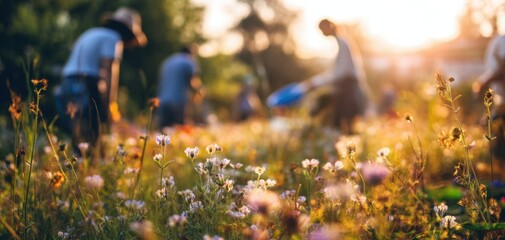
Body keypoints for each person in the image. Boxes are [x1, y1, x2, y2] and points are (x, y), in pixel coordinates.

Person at [54, 7, 147, 156]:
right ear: (128, 32)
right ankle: (91, 170)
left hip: (66, 83)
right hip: (86, 84)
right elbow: (109, 72)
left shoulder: (91, 33)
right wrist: (110, 105)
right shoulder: (113, 38)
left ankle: (78, 170)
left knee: (77, 134)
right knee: (93, 134)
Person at [300, 19, 373, 134]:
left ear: (329, 27)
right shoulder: (341, 43)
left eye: (323, 29)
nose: (322, 33)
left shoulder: (343, 43)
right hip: (345, 86)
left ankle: (349, 146)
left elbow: (341, 72)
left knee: (345, 121)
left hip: (347, 87)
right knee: (344, 123)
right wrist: (316, 81)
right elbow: (335, 71)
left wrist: (317, 83)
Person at [473, 34, 505, 160]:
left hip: (502, 102)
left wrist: (483, 83)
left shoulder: (501, 41)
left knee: (497, 138)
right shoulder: (499, 40)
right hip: (501, 100)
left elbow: (502, 68)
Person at [157, 44, 203, 128]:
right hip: (178, 102)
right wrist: (199, 91)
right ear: (190, 53)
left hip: (162, 101)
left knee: (163, 133)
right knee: (178, 131)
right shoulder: (188, 61)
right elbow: (193, 81)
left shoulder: (168, 61)